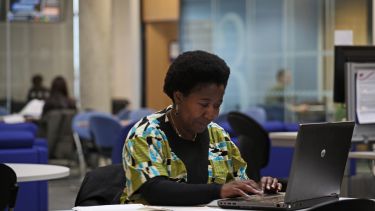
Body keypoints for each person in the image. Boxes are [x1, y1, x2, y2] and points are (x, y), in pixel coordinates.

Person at [121, 50, 282, 206]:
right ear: (179, 97)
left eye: (217, 105)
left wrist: (258, 188)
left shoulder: (217, 135)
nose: (211, 114)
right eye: (204, 104)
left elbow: (238, 183)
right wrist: (218, 191)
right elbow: (155, 190)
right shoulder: (147, 133)